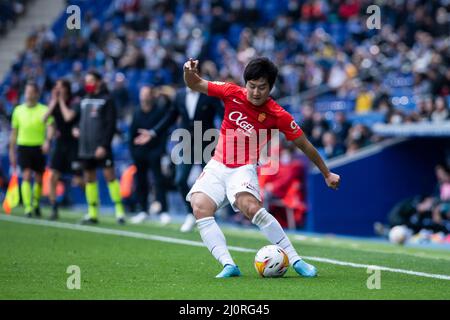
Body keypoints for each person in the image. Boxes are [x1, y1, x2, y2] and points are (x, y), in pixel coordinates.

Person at [183, 57, 340, 278]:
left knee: (250, 206)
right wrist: (188, 71)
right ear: (245, 83)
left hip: (243, 168)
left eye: (262, 87)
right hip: (217, 165)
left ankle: (296, 260)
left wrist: (326, 173)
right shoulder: (230, 92)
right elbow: (194, 83)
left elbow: (304, 144)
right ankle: (229, 265)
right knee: (199, 206)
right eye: (252, 86)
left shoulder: (278, 114)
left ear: (271, 88)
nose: (255, 92)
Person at [64, 70, 126, 225]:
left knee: (110, 177)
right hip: (85, 147)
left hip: (101, 147)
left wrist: (104, 145)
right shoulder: (84, 99)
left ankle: (119, 211)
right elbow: (77, 119)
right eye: (87, 81)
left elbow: (110, 125)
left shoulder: (107, 99)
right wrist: (75, 128)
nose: (88, 84)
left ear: (99, 82)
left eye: (91, 80)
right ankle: (92, 213)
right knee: (89, 179)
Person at [171, 80, 223, 232]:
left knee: (212, 182)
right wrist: (154, 132)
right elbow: (171, 116)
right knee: (180, 179)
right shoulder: (180, 95)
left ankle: (209, 216)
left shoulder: (210, 94)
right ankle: (190, 214)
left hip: (207, 142)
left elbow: (222, 115)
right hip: (186, 142)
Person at [129, 85, 174, 225]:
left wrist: (159, 152)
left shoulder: (159, 111)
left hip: (154, 152)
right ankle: (143, 210)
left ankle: (164, 211)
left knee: (158, 181)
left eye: (147, 94)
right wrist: (134, 152)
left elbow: (163, 132)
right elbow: (132, 134)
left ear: (152, 96)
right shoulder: (136, 112)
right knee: (141, 181)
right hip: (140, 153)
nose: (144, 97)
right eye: (142, 94)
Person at [9, 82, 54, 217]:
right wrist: (12, 150)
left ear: (36, 94)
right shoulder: (18, 110)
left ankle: (35, 204)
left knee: (39, 178)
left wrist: (47, 141)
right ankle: (28, 207)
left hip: (38, 146)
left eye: (30, 92)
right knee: (27, 175)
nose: (28, 95)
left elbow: (51, 126)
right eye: (26, 92)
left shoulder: (44, 109)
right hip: (23, 146)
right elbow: (14, 132)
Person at [43, 79, 83, 220]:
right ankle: (54, 208)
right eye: (56, 87)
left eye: (60, 87)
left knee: (79, 180)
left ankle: (92, 206)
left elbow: (68, 117)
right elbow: (45, 119)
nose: (57, 89)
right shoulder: (54, 102)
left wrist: (60, 101)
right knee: (53, 176)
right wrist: (48, 141)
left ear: (66, 88)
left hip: (73, 144)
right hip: (60, 144)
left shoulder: (75, 102)